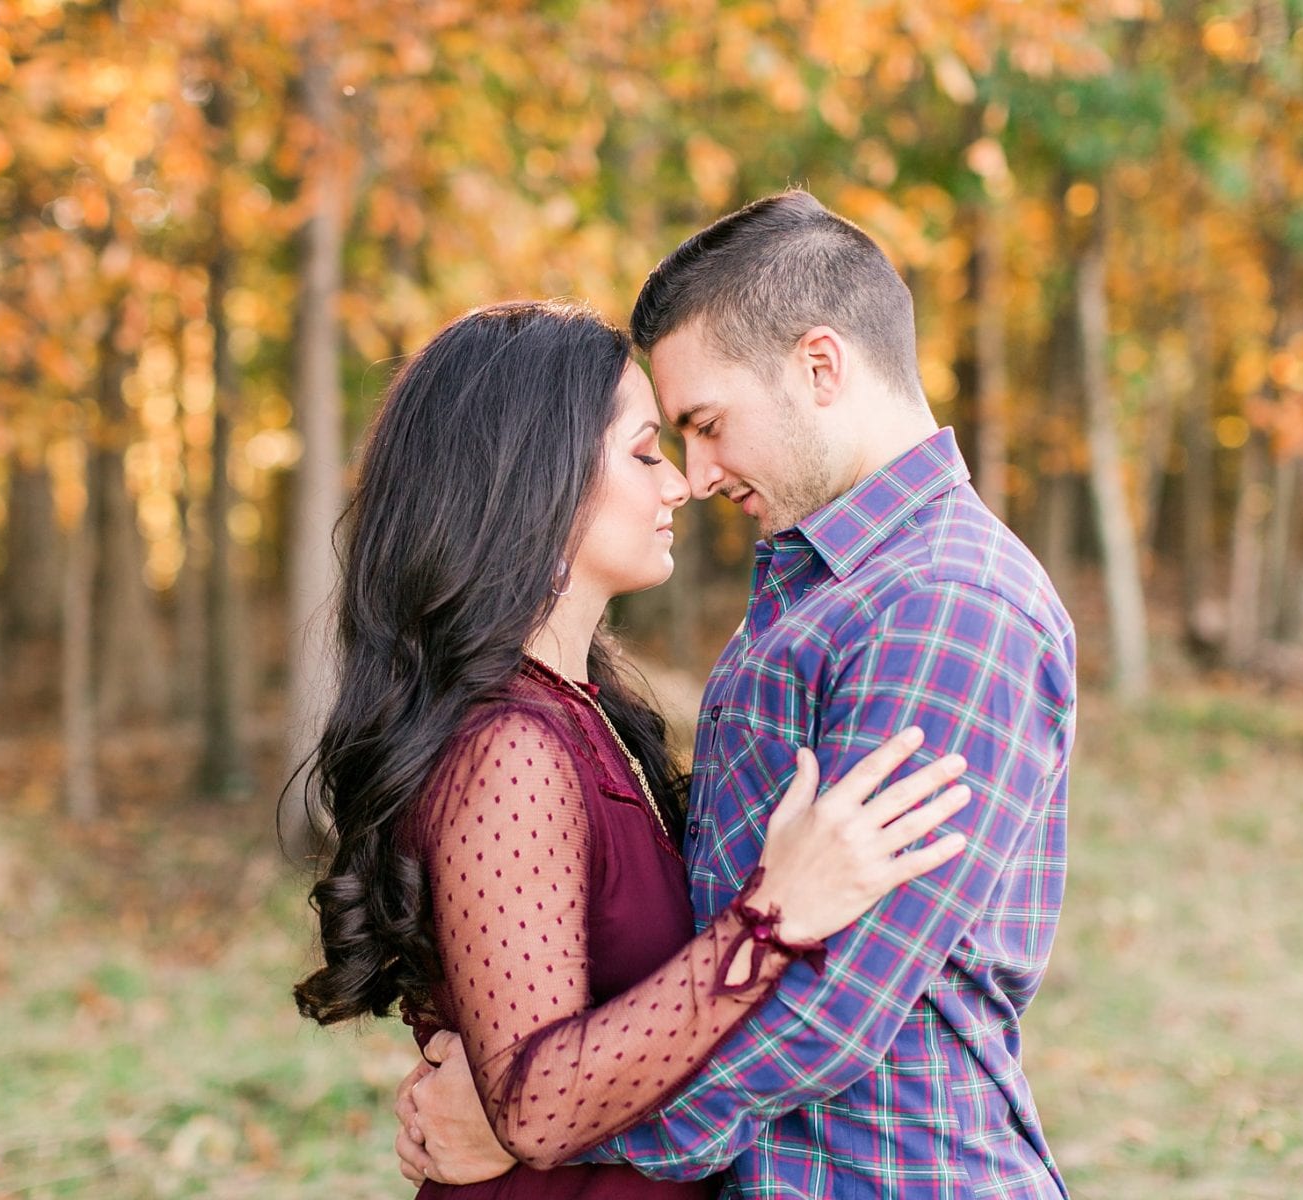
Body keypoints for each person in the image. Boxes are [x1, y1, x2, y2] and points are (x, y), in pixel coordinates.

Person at [397, 191, 1078, 1198]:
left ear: (819, 367)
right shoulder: (820, 590)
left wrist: (537, 1129)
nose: (698, 475)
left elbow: (832, 1007)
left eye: (707, 426)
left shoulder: (940, 608)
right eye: (666, 443)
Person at [290, 297, 977, 1198]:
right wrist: (772, 917)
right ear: (537, 478)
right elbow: (536, 1104)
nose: (681, 483)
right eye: (647, 451)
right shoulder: (509, 748)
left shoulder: (591, 714)